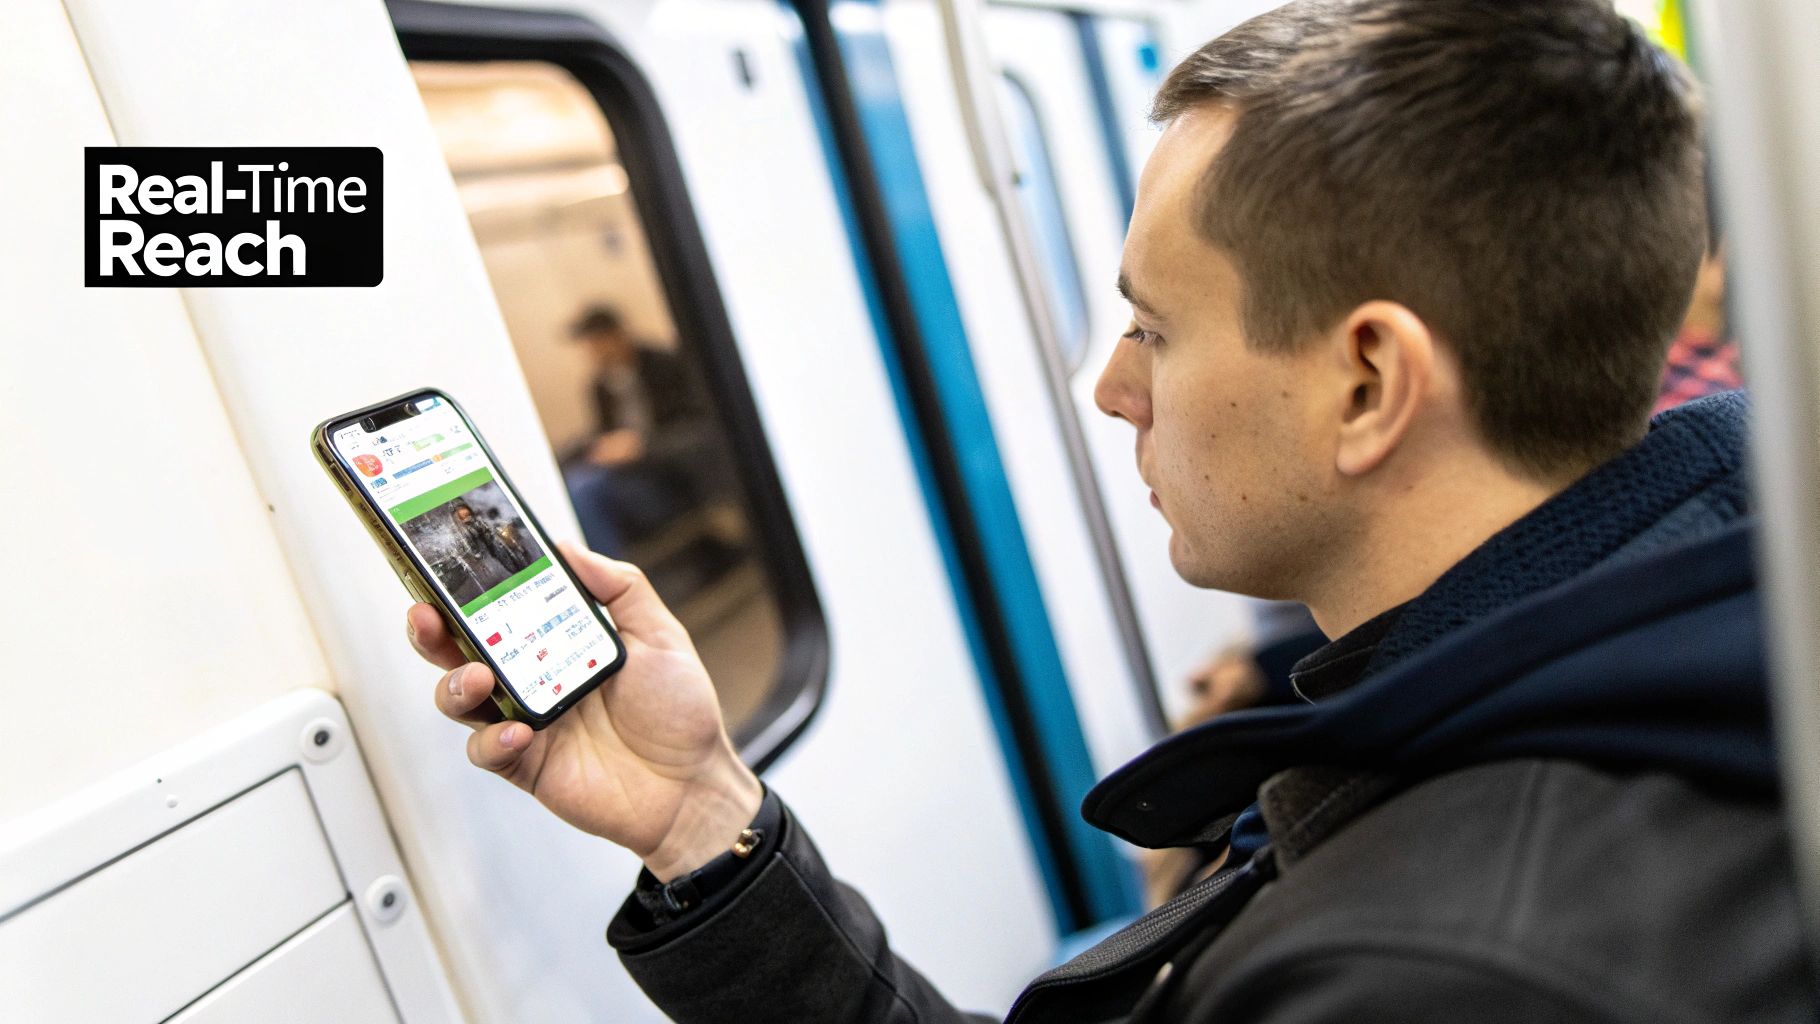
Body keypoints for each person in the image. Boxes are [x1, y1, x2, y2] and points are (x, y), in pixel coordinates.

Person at [408, 2, 1817, 1021]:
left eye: (1154, 329)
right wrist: (700, 816)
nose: (1109, 388)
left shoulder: (1431, 973)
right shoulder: (1711, 582)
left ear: (1369, 382)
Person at [560, 306, 716, 556]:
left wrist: (642, 446)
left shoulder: (666, 366)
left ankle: (612, 570)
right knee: (572, 481)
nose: (594, 353)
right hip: (625, 477)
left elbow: (701, 429)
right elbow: (605, 434)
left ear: (617, 335)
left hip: (670, 476)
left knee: (583, 490)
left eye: (598, 343)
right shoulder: (601, 387)